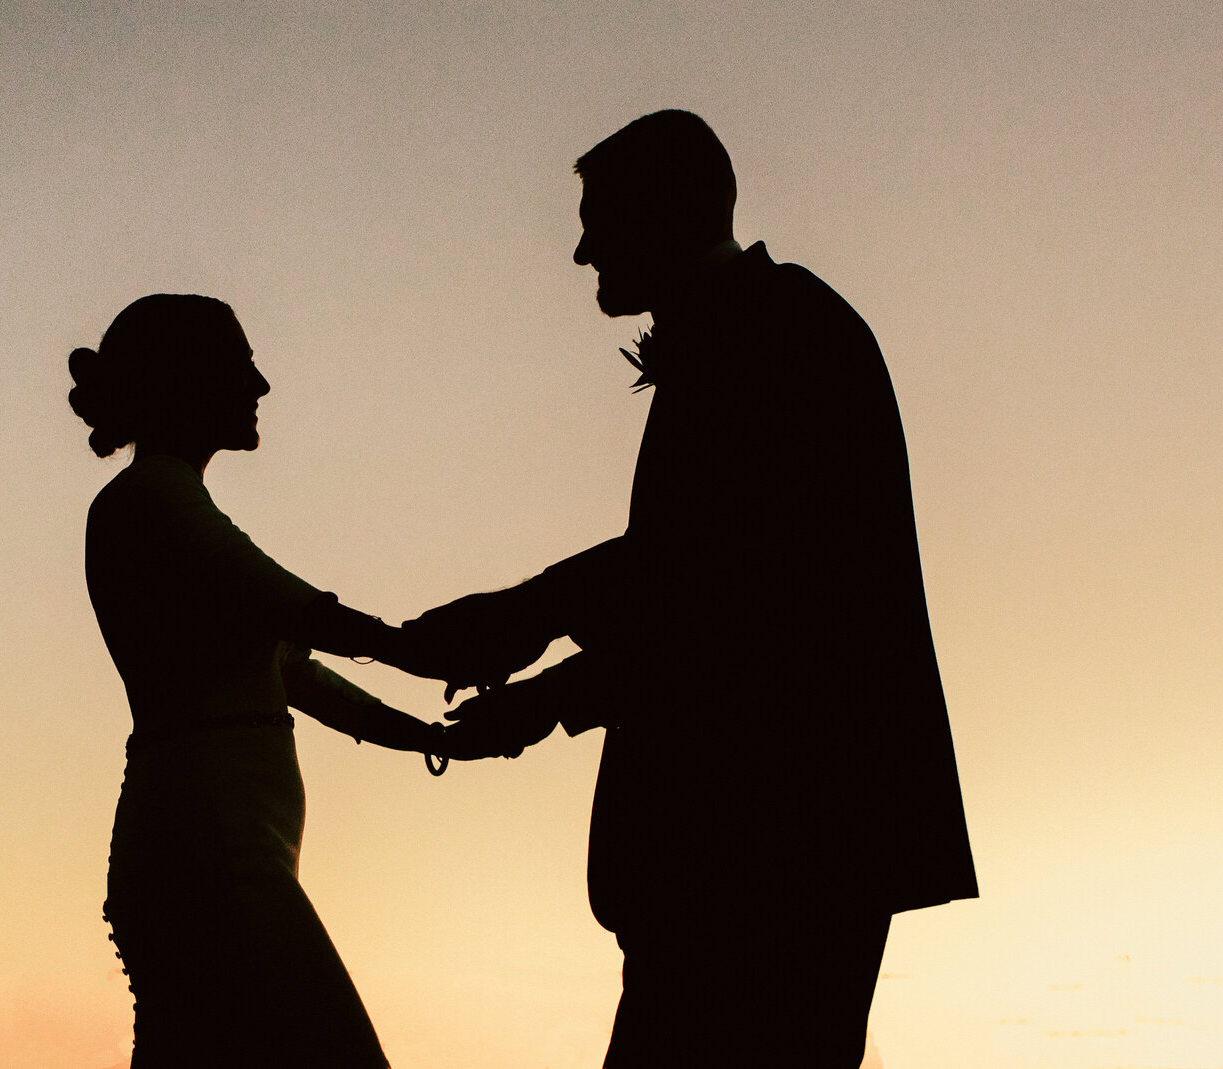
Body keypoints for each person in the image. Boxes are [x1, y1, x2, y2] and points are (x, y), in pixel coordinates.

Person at [400, 111, 980, 1067]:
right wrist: (531, 638)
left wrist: (536, 651)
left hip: (773, 848)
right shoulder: (765, 328)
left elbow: (739, 598)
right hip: (752, 855)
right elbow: (699, 574)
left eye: (599, 220)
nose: (581, 247)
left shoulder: (779, 331)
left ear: (663, 213)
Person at [69, 293, 447, 1067]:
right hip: (214, 845)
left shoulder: (163, 503)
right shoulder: (155, 499)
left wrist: (427, 735)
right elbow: (295, 609)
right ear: (189, 378)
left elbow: (289, 666)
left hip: (211, 841)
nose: (261, 384)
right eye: (242, 363)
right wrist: (425, 651)